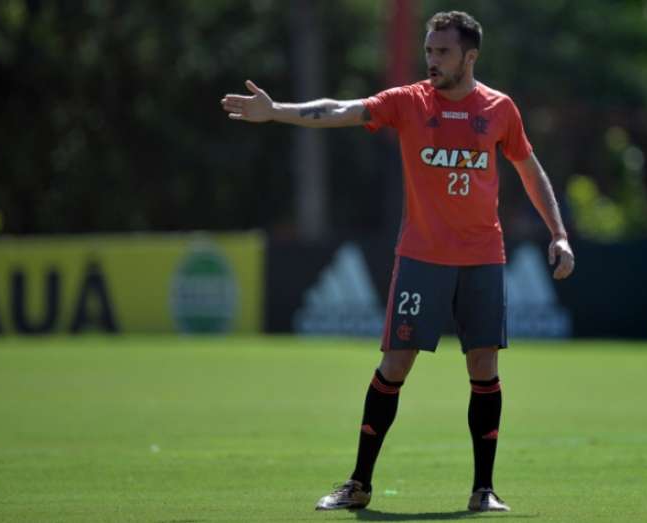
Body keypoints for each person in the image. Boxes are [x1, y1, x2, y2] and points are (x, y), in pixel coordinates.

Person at [221, 10, 574, 513]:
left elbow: (529, 170)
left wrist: (559, 234)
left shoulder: (500, 109)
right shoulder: (408, 102)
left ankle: (483, 490)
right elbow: (342, 108)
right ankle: (358, 484)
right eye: (428, 50)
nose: (431, 60)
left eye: (442, 52)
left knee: (484, 367)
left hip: (482, 259)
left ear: (469, 56)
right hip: (421, 258)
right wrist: (277, 109)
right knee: (395, 365)